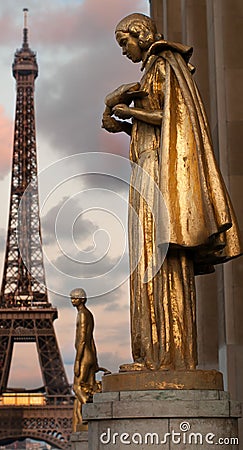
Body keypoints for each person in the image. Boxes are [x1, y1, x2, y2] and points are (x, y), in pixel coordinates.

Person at [102, 13, 242, 371]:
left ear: (140, 34)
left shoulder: (166, 63)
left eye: (124, 43)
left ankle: (168, 357)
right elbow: (158, 123)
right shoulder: (151, 71)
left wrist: (127, 110)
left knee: (158, 258)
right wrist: (122, 120)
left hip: (158, 173)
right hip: (147, 169)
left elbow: (175, 118)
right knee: (148, 260)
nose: (123, 51)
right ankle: (151, 354)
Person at [70, 288, 100, 430]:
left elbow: (82, 339)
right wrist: (95, 360)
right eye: (71, 298)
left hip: (83, 355)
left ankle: (89, 411)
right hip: (90, 355)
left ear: (82, 299)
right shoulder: (89, 314)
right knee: (87, 387)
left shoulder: (82, 315)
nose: (72, 300)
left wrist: (77, 361)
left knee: (77, 387)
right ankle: (85, 416)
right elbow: (91, 339)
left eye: (75, 298)